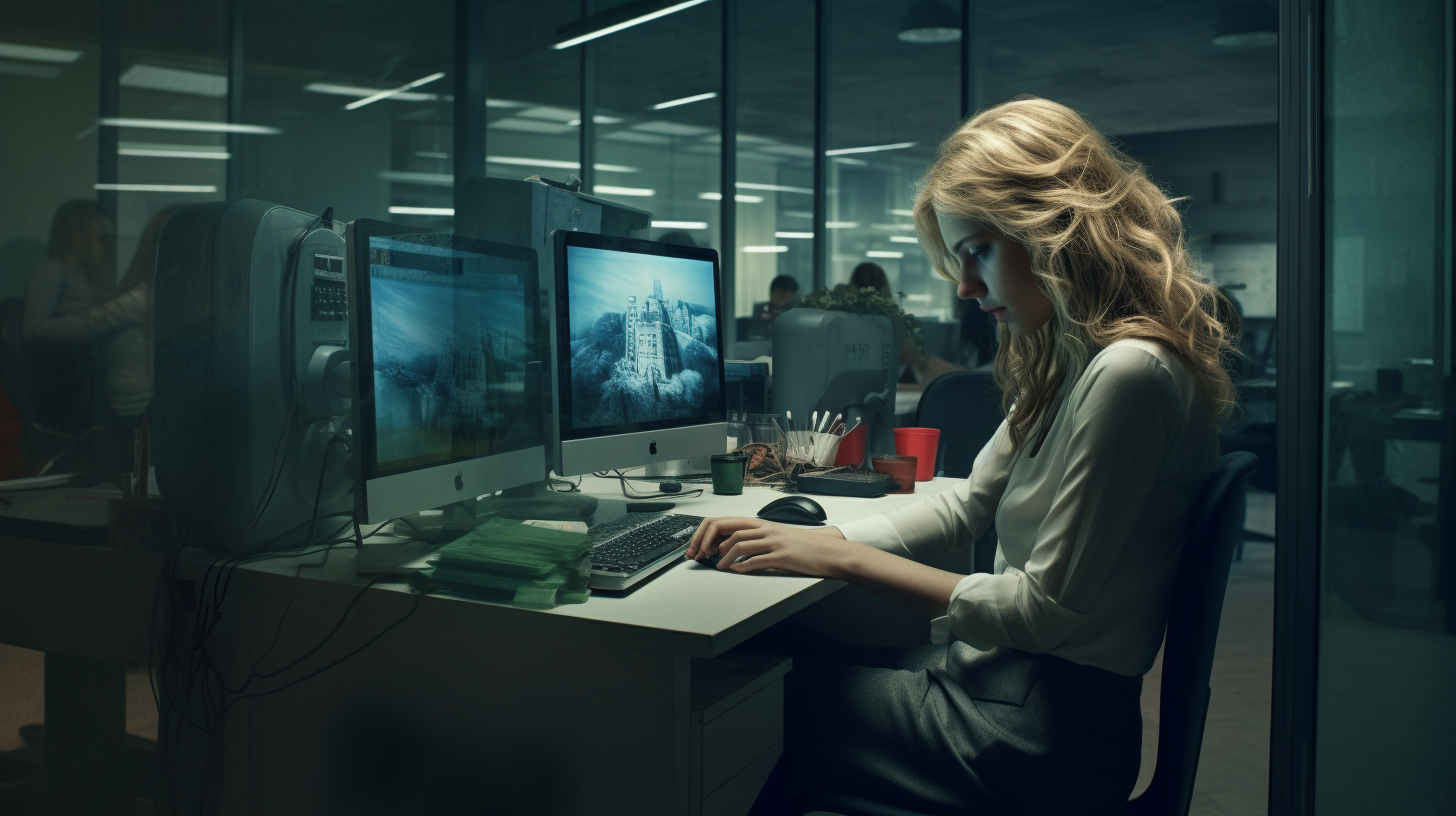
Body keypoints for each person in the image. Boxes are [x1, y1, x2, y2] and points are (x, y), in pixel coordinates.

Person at [686, 96, 1239, 815]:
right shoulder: (1074, 361)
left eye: (976, 251)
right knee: (775, 665)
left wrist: (838, 559)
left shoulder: (1129, 375)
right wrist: (820, 537)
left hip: (1034, 738)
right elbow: (965, 504)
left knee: (742, 696)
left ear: (1051, 230)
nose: (965, 286)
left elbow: (1042, 613)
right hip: (1007, 696)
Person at [21, 200, 143, 470]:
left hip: (90, 384)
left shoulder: (87, 274)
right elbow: (32, 327)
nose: (106, 244)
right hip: (66, 384)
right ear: (77, 234)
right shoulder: (52, 271)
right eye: (100, 236)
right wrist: (87, 324)